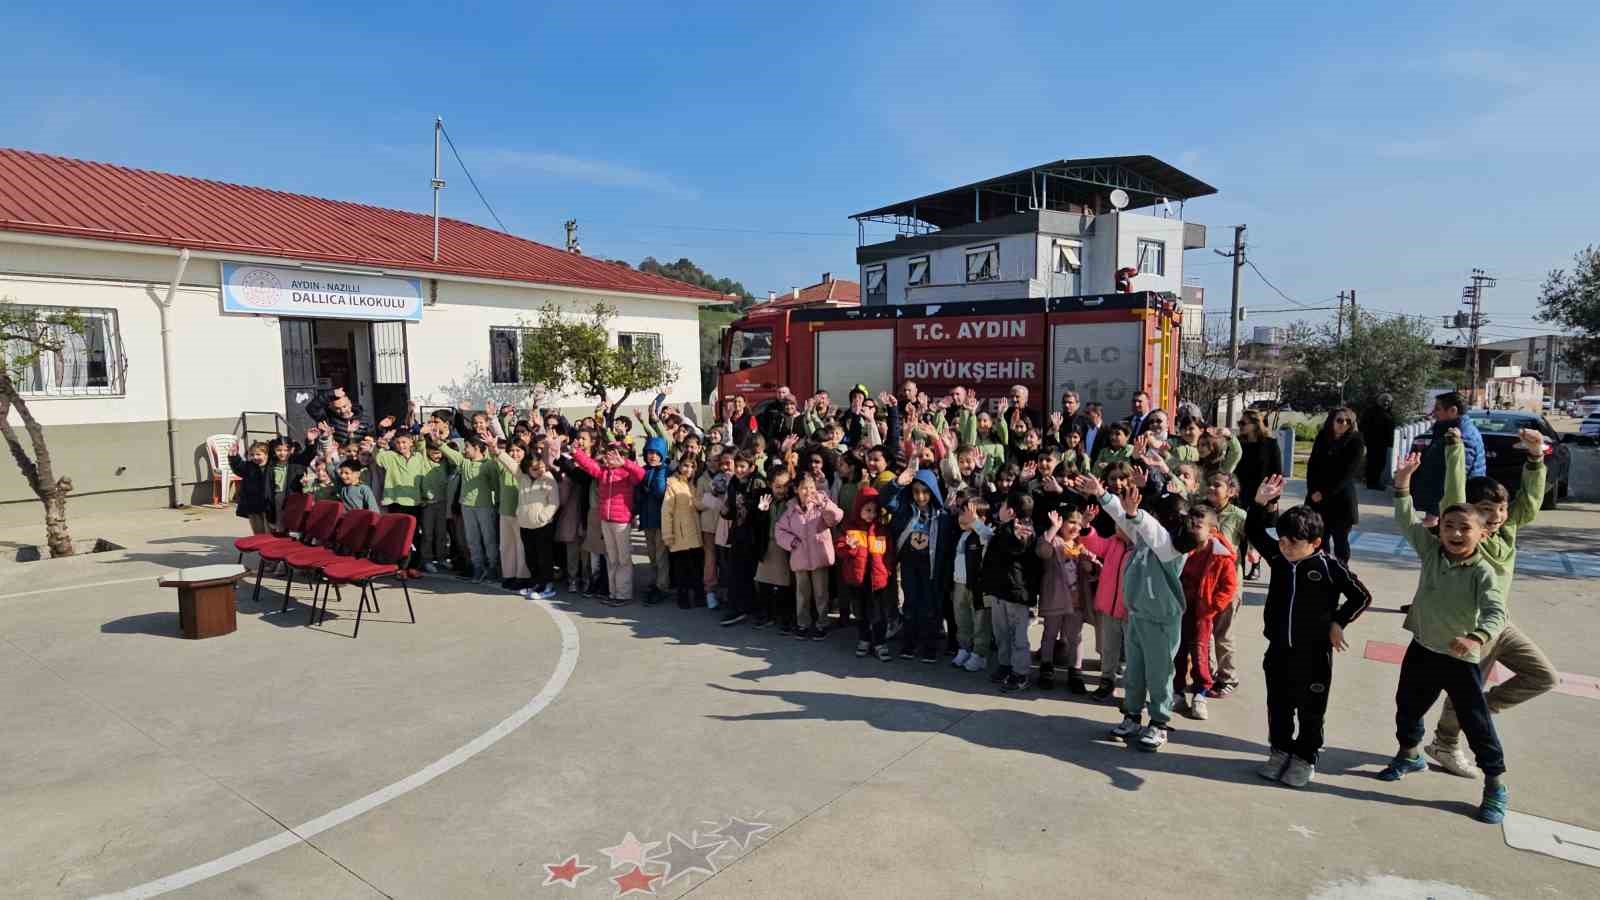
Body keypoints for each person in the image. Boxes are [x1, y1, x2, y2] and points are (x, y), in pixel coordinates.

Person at [1380, 452, 1509, 825]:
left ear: (1483, 533)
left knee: (1476, 723)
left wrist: (1476, 638)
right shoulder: (1432, 552)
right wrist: (1403, 482)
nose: (1454, 534)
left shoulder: (1483, 572)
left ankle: (1495, 784)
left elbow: (1496, 613)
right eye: (1448, 526)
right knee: (1407, 706)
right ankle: (1409, 754)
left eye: (1464, 528)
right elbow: (1405, 521)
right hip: (1423, 648)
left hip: (1460, 659)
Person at [1424, 426, 1557, 779]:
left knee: (1543, 676)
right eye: (1487, 509)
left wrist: (1535, 456)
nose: (1497, 515)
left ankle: (1477, 711)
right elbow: (1453, 493)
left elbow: (1529, 501)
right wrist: (1454, 449)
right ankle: (1445, 744)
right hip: (1471, 627)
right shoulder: (1469, 535)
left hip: (1501, 623)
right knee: (1462, 689)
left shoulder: (1507, 527)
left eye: (1500, 507)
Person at [1247, 474, 1372, 786]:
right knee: (1278, 704)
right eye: (1283, 540)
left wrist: (1338, 622)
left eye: (1294, 543)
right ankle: (1280, 751)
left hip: (1314, 653)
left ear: (1315, 542)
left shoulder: (1329, 566)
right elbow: (1253, 531)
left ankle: (1305, 757)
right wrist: (1260, 503)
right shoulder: (1278, 558)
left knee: (1310, 710)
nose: (1285, 547)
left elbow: (1361, 596)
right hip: (1278, 648)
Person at [1076, 473, 1205, 753]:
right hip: (1136, 616)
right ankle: (1132, 716)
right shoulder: (1146, 539)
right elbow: (1126, 519)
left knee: (1159, 675)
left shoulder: (1171, 549)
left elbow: (1147, 527)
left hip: (1160, 621)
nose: (1150, 518)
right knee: (1134, 672)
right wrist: (1102, 494)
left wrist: (1137, 514)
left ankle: (1159, 722)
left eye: (1158, 515)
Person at [1172, 503, 1238, 721]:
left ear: (1212, 530)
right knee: (1178, 652)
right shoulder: (1181, 549)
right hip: (1180, 610)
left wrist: (1213, 607)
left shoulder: (1221, 556)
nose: (1194, 529)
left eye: (1199, 526)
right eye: (1191, 525)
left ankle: (1200, 693)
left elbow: (1229, 586)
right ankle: (1177, 691)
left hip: (1203, 613)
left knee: (1200, 653)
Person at [882, 463, 946, 662]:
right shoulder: (905, 510)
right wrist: (897, 483)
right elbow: (885, 499)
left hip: (931, 567)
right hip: (909, 564)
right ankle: (909, 642)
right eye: (916, 492)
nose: (920, 497)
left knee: (929, 605)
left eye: (925, 492)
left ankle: (929, 646)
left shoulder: (942, 516)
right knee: (910, 603)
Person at [572, 440, 646, 607]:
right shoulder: (603, 472)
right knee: (612, 558)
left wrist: (625, 463)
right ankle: (613, 592)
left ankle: (623, 594)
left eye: (614, 453)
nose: (609, 457)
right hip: (606, 520)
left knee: (623, 559)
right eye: (608, 453)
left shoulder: (627, 473)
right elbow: (589, 465)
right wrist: (576, 452)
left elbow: (641, 474)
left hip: (622, 522)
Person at [979, 492, 1039, 692]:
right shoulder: (1003, 529)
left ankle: (1020, 672)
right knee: (1001, 632)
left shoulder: (1024, 530)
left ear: (1011, 512)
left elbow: (1017, 547)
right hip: (999, 591)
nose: (999, 509)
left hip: (1015, 593)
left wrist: (1012, 533)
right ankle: (1005, 665)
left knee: (1017, 635)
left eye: (1002, 506)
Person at [775, 472, 844, 640]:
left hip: (820, 556)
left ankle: (822, 623)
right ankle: (803, 624)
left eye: (812, 487)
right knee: (802, 593)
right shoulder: (791, 509)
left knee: (821, 593)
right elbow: (779, 530)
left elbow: (836, 517)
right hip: (800, 558)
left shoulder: (822, 503)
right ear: (797, 490)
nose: (808, 491)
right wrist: (792, 542)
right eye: (804, 488)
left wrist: (824, 505)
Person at [1036, 508, 1096, 693]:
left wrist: (1090, 566)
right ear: (1062, 523)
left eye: (1079, 524)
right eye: (1071, 522)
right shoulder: (1054, 541)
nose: (1075, 527)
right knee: (1050, 634)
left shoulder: (1080, 546)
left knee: (1075, 638)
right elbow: (1042, 551)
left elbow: (1093, 571)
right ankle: (1046, 668)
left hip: (1076, 601)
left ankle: (1075, 672)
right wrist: (1053, 528)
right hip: (1055, 599)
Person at [495, 438, 561, 600]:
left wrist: (542, 518)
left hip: (542, 526)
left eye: (541, 467)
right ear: (527, 469)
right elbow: (510, 464)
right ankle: (536, 583)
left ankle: (547, 586)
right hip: (525, 525)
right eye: (535, 469)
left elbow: (554, 503)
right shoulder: (522, 477)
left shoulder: (548, 479)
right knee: (531, 557)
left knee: (544, 557)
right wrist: (496, 450)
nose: (539, 470)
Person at [1204, 473, 1248, 697]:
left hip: (1228, 585)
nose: (1211, 488)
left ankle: (1228, 676)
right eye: (1209, 484)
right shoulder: (1202, 512)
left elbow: (1255, 537)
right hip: (1204, 582)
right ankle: (1208, 675)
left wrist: (1255, 554)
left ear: (1231, 492)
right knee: (1204, 632)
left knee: (1223, 633)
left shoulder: (1238, 516)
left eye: (1217, 485)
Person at [837, 486, 893, 659]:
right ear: (858, 508)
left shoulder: (881, 529)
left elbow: (890, 552)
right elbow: (839, 549)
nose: (871, 514)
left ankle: (880, 642)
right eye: (867, 510)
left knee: (879, 613)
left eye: (874, 511)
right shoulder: (849, 528)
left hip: (878, 580)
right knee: (861, 612)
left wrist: (888, 570)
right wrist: (850, 548)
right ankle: (864, 639)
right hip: (858, 579)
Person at [1412, 391, 1485, 524]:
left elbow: (1456, 477)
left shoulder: (1462, 436)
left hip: (1451, 509)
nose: (1433, 413)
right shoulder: (1446, 430)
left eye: (1438, 409)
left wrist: (1435, 512)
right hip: (1442, 506)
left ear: (1452, 410)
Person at [1305, 406, 1366, 564]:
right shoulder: (1322, 437)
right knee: (1319, 540)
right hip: (1317, 500)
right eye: (1339, 420)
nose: (1343, 424)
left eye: (1348, 421)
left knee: (1340, 542)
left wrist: (1323, 493)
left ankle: (1341, 573)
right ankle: (1321, 573)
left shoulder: (1356, 442)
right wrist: (1312, 491)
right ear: (1332, 421)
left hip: (1341, 501)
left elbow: (1347, 474)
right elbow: (1312, 465)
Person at [436, 436, 499, 583]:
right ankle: (478, 567)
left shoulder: (488, 464)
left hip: (485, 506)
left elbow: (496, 485)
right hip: (466, 506)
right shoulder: (464, 463)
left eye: (467, 447)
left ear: (477, 448)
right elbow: (452, 454)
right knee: (472, 539)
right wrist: (438, 442)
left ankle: (493, 567)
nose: (464, 450)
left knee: (489, 538)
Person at [719, 452, 767, 625]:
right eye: (737, 466)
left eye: (742, 467)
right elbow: (732, 509)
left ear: (751, 468)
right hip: (739, 533)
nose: (738, 470)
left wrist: (751, 507)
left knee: (752, 574)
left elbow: (762, 512)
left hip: (754, 535)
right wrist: (726, 512)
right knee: (736, 571)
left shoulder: (759, 482)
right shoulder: (734, 482)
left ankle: (753, 608)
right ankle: (738, 608)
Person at [949, 497, 994, 672]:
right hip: (960, 583)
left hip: (978, 587)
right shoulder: (963, 535)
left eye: (967, 514)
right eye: (962, 513)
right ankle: (964, 648)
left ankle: (979, 654)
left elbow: (988, 536)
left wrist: (975, 522)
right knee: (962, 618)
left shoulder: (984, 534)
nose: (962, 518)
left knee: (980, 621)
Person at [662, 455, 706, 609]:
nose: (689, 470)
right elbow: (666, 511)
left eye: (692, 467)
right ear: (680, 466)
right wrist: (667, 535)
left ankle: (699, 596)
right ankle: (683, 598)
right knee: (682, 569)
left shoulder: (693, 485)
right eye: (686, 466)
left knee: (696, 568)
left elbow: (698, 505)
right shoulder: (672, 484)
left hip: (695, 533)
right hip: (680, 535)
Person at [752, 470, 793, 630]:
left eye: (785, 486)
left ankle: (785, 617)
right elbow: (757, 523)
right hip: (767, 545)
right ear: (770, 485)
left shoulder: (791, 502)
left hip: (784, 547)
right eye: (778, 486)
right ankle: (765, 614)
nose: (781, 490)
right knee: (763, 581)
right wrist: (761, 511)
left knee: (784, 584)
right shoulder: (764, 499)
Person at [636, 436, 672, 605]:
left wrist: (660, 470)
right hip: (647, 519)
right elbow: (638, 495)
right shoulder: (644, 470)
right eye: (649, 452)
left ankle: (662, 586)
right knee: (651, 554)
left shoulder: (665, 470)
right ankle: (654, 582)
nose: (652, 456)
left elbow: (660, 492)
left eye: (656, 453)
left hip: (661, 520)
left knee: (661, 555)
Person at [227, 439, 277, 535]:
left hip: (268, 505)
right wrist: (234, 457)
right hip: (252, 505)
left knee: (269, 530)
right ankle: (260, 547)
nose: (255, 457)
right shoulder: (249, 466)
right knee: (258, 530)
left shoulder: (272, 466)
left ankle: (269, 547)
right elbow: (238, 467)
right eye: (252, 455)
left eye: (258, 454)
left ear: (266, 454)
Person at [1360, 393, 1397, 489]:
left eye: (1388, 401)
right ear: (1379, 401)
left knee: (1379, 463)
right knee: (1374, 463)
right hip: (1374, 442)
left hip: (1382, 443)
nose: (1386, 403)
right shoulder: (1371, 411)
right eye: (1384, 401)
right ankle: (1372, 483)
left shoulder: (1388, 412)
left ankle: (1374, 482)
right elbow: (1363, 425)